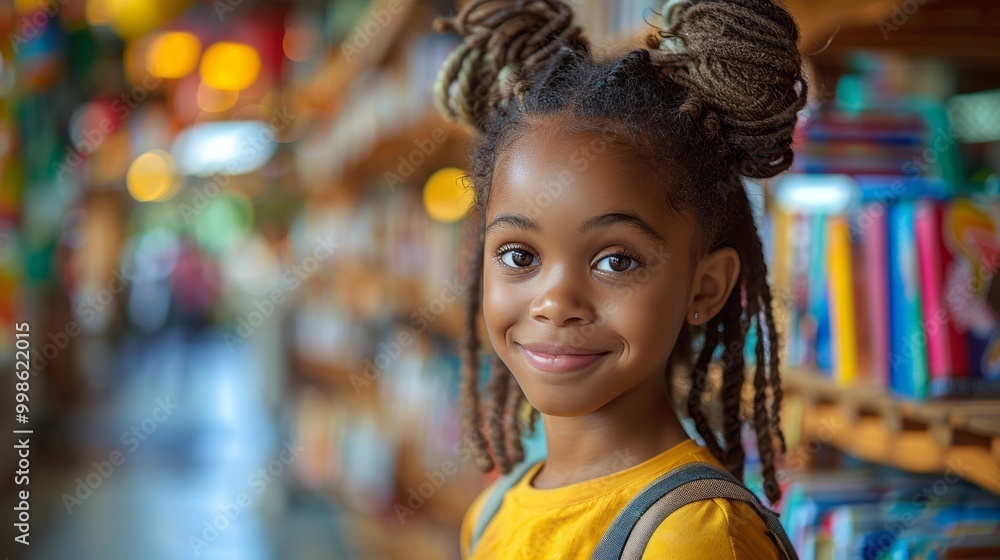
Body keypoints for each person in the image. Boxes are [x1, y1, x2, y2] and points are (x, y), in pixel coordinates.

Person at [432, 0, 807, 557]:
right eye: (518, 256)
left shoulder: (693, 539)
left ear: (705, 287)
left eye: (616, 261)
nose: (556, 302)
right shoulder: (491, 513)